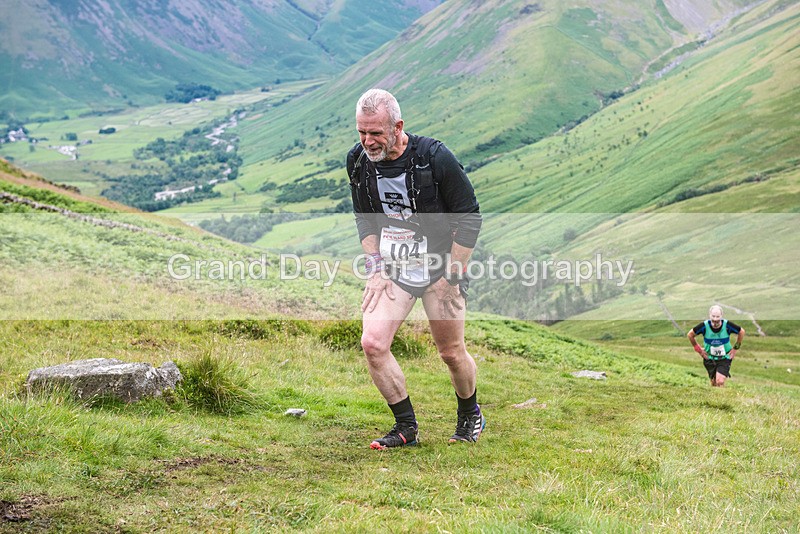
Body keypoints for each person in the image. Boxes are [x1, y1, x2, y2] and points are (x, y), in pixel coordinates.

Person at [346, 88, 484, 449]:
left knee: (450, 352)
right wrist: (375, 268)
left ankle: (470, 414)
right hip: (394, 267)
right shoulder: (358, 161)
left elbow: (469, 218)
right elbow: (365, 219)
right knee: (373, 344)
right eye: (361, 132)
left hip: (441, 266)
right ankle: (405, 427)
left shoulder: (434, 158)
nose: (367, 141)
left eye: (375, 133)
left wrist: (452, 277)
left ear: (397, 126)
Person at [688, 305, 745, 387]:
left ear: (721, 316)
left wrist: (735, 348)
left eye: (717, 317)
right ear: (709, 315)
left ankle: (723, 398)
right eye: (713, 317)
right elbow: (690, 335)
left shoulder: (727, 325)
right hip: (709, 358)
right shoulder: (704, 326)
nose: (715, 320)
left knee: (720, 381)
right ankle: (716, 397)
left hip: (725, 357)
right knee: (714, 382)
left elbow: (741, 332)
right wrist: (699, 350)